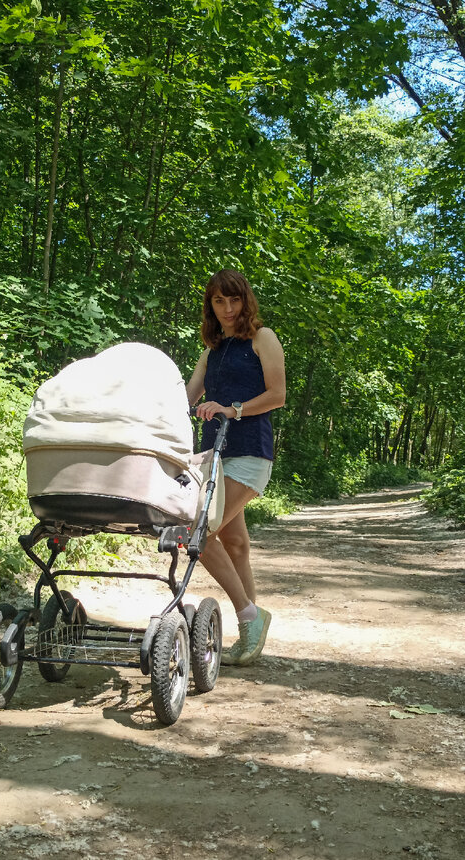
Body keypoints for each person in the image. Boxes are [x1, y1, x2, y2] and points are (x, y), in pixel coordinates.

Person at [186, 269, 285, 666]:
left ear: (246, 301)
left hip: (248, 452)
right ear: (210, 305)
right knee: (236, 543)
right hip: (214, 454)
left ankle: (249, 614)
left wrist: (232, 409)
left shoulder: (263, 338)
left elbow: (277, 395)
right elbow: (188, 395)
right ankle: (251, 633)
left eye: (234, 300)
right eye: (218, 301)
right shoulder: (211, 351)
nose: (227, 309)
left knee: (200, 534)